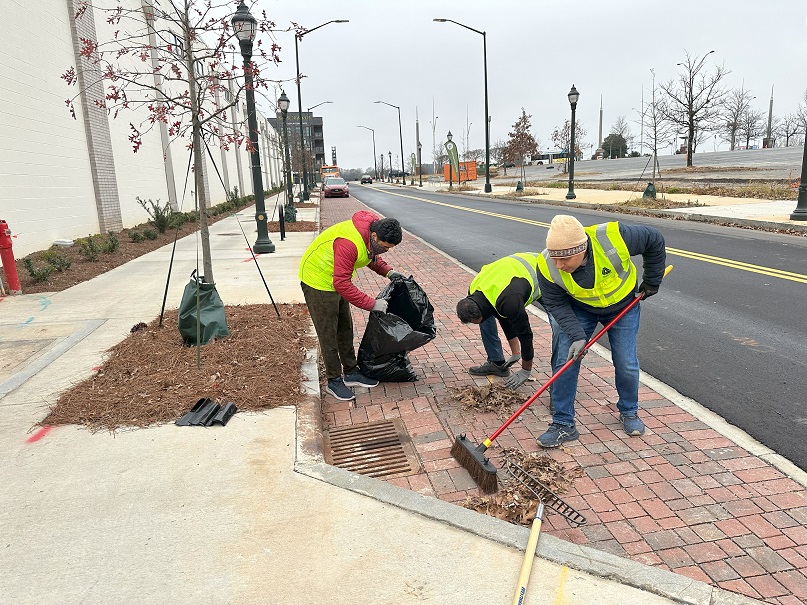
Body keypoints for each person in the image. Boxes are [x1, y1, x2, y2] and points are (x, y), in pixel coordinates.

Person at [535, 215, 666, 447]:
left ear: (582, 248)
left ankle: (629, 411)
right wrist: (576, 335)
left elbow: (653, 240)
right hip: (581, 309)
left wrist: (652, 280)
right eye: (554, 257)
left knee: (626, 362)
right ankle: (563, 423)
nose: (558, 265)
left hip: (623, 307)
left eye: (564, 259)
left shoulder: (614, 237)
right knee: (565, 362)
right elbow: (555, 304)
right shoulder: (546, 265)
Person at [299, 210, 405, 401]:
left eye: (389, 249)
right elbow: (342, 284)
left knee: (345, 328)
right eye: (384, 247)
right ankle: (334, 380)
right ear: (374, 236)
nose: (386, 251)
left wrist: (388, 272)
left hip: (334, 280)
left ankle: (351, 372)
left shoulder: (371, 234)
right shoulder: (349, 243)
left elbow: (370, 256)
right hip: (317, 281)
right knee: (328, 334)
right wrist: (372, 304)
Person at [456, 253, 543, 389]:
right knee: (487, 319)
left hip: (542, 272)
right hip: (513, 273)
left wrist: (526, 370)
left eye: (474, 322)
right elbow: (502, 315)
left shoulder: (511, 301)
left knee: (559, 323)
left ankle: (560, 386)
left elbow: (525, 335)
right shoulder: (473, 290)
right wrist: (516, 353)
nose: (475, 325)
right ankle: (497, 363)